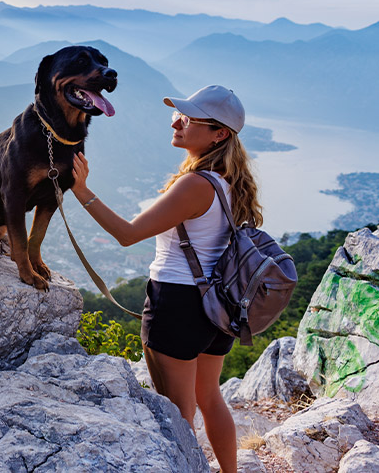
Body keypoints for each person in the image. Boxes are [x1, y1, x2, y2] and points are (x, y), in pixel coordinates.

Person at [71, 85, 261, 473]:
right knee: (210, 397)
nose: (176, 121)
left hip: (177, 305)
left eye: (189, 118)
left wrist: (81, 190)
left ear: (218, 133)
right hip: (219, 305)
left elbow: (127, 234)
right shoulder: (232, 182)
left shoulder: (195, 184)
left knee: (177, 414)